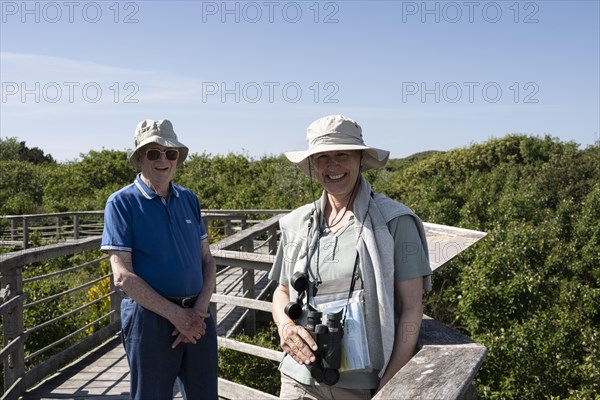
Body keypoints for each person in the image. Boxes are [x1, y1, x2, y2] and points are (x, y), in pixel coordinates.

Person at [269, 115, 432, 400]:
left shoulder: (395, 222)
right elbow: (281, 291)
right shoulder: (297, 223)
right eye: (322, 157)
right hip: (299, 378)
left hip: (364, 385)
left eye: (342, 154)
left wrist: (389, 385)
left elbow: (411, 308)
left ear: (360, 159)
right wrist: (286, 327)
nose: (332, 165)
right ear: (313, 165)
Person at [101, 119, 218, 400]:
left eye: (170, 153)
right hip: (149, 319)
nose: (163, 159)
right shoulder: (121, 203)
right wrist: (178, 317)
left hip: (197, 314)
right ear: (140, 158)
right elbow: (122, 276)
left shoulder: (189, 199)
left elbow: (208, 261)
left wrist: (198, 313)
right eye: (153, 153)